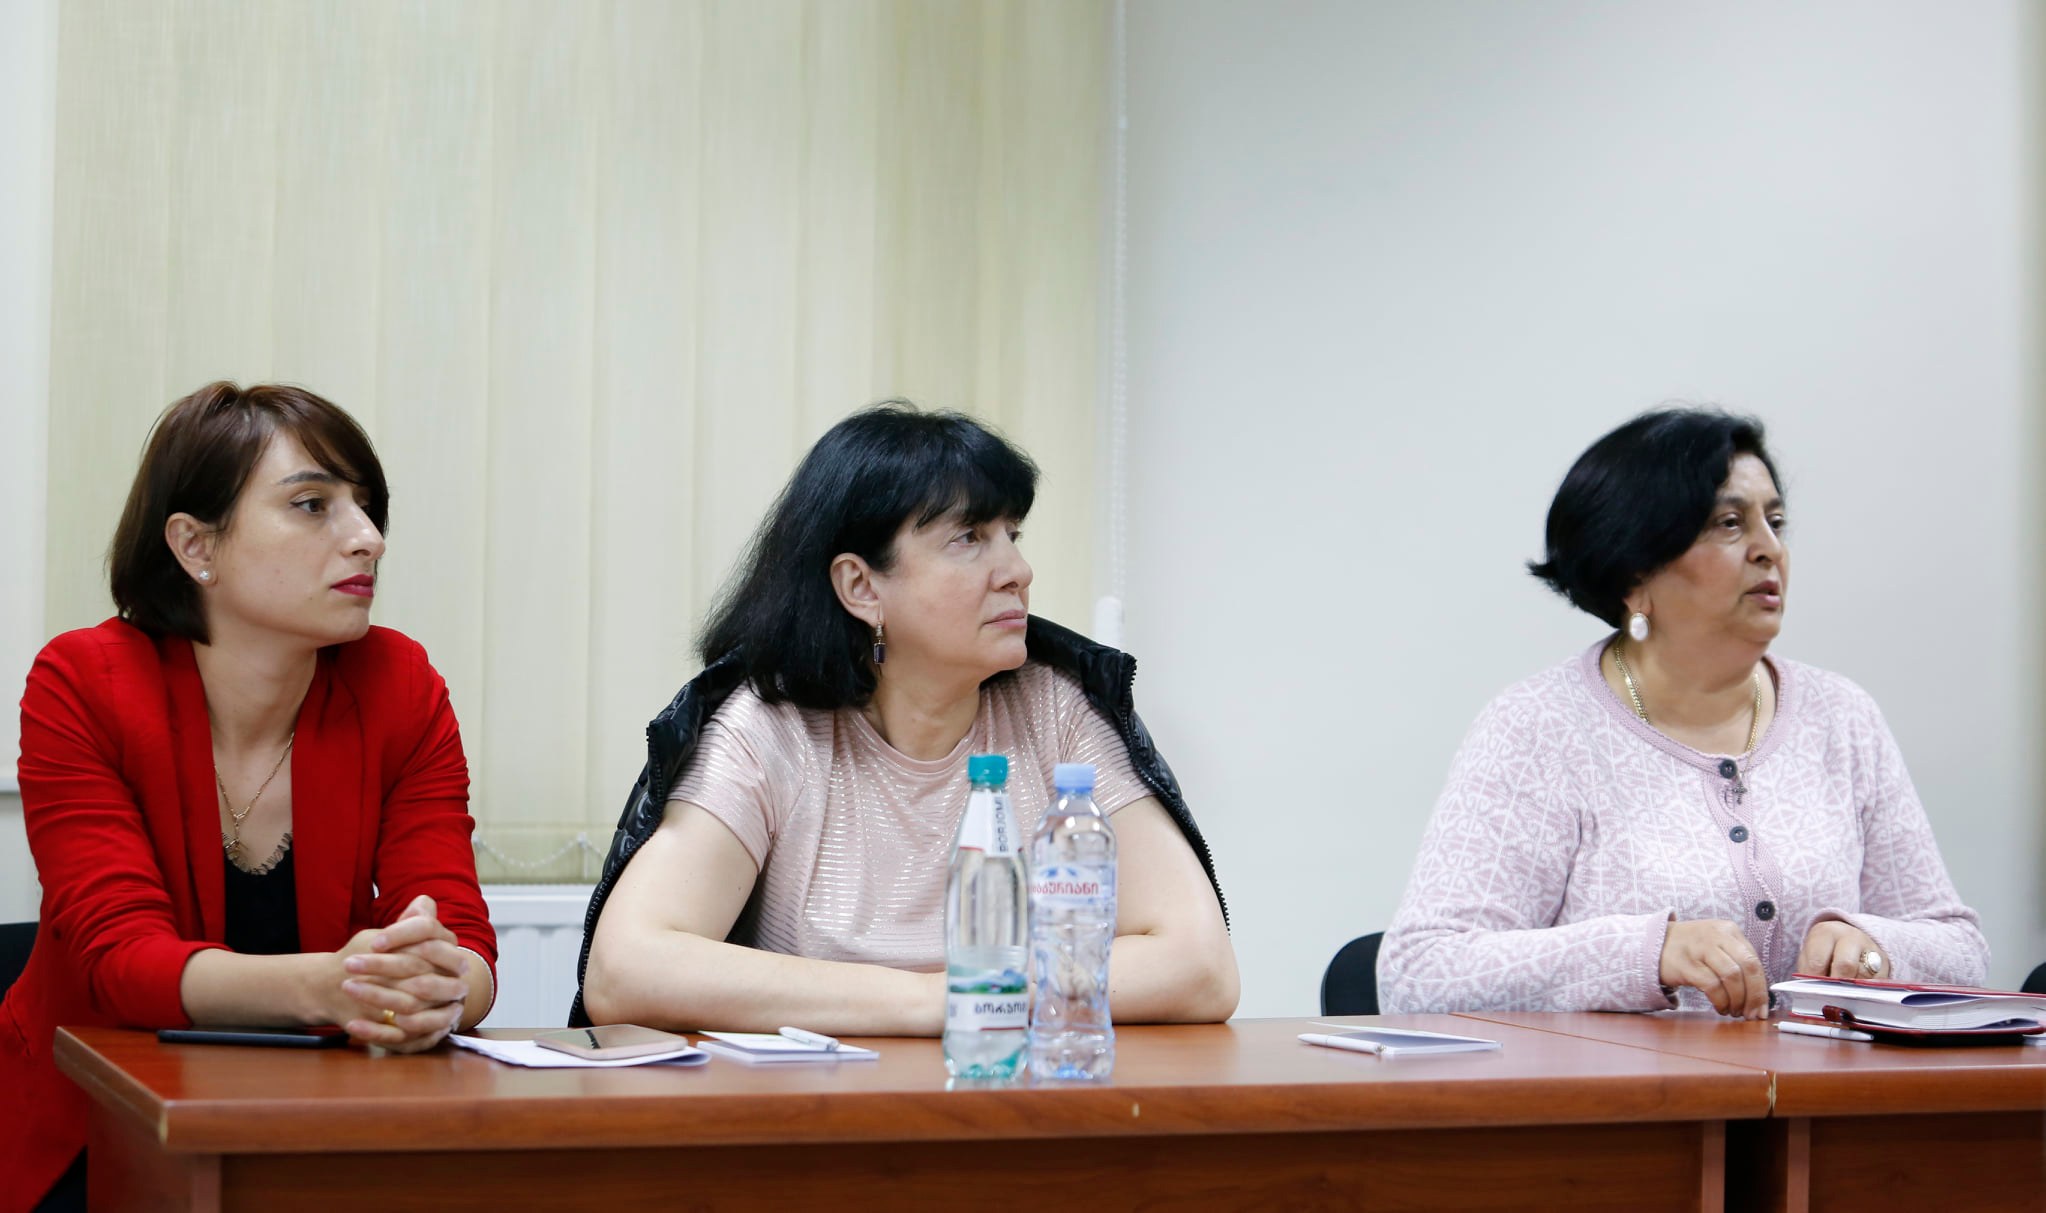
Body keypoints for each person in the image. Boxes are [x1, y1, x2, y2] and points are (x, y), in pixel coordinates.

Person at [575, 403, 1237, 1033]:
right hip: (822, 1102)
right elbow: (624, 970)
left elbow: (1201, 966)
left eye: (1011, 535)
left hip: (1010, 1088)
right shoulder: (769, 728)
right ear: (861, 586)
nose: (1018, 570)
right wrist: (932, 1001)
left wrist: (965, 997)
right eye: (969, 538)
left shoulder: (1058, 708)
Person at [5, 383, 496, 1213]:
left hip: (316, 1125)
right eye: (313, 505)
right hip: (95, 1129)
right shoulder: (84, 682)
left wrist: (441, 991)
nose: (368, 538)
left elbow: (460, 935)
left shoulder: (401, 685)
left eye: (366, 507)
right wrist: (335, 987)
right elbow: (121, 958)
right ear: (196, 545)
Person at [1378, 408, 1987, 1017]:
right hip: (1626, 1082)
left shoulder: (1841, 716)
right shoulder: (1540, 727)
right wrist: (1648, 953)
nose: (1770, 550)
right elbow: (1421, 973)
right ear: (1634, 570)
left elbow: (1959, 947)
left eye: (1775, 523)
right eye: (1730, 523)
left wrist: (1875, 948)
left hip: (1818, 1081)